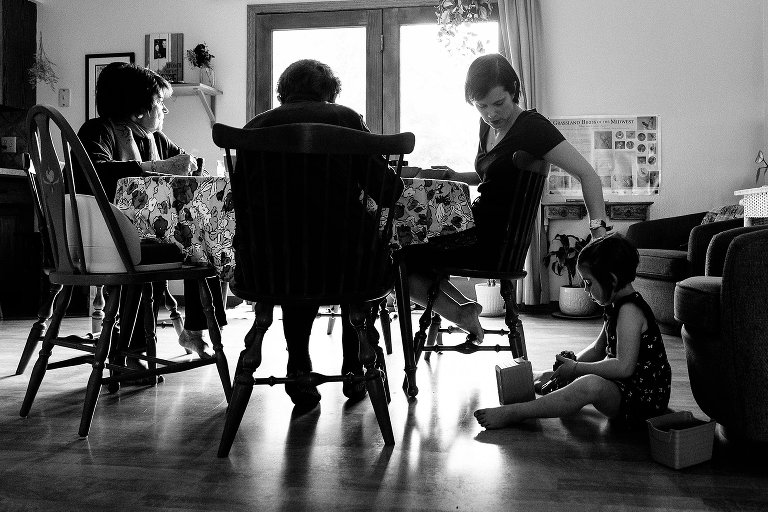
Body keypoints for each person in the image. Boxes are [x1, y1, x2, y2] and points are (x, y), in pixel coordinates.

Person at [401, 53, 611, 344]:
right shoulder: (486, 125)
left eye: (498, 103)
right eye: (481, 106)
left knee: (395, 258)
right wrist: (455, 176)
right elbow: (492, 176)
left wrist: (598, 232)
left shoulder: (532, 126)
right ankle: (463, 309)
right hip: (474, 227)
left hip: (495, 239)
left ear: (514, 91)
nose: (491, 114)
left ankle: (461, 313)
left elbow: (588, 175)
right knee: (407, 244)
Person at [242, 59, 403, 407]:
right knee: (355, 259)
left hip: (272, 264)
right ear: (329, 94)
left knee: (295, 265)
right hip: (345, 263)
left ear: (283, 93)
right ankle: (354, 367)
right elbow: (388, 192)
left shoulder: (254, 128)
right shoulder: (345, 120)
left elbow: (239, 200)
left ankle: (299, 366)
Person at [76, 62, 227, 363]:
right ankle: (131, 347)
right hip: (103, 238)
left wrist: (192, 167)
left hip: (143, 235)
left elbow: (188, 168)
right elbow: (91, 174)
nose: (164, 111)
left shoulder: (155, 139)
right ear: (137, 111)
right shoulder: (98, 130)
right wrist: (157, 168)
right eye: (159, 103)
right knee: (180, 243)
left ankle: (194, 331)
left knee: (200, 235)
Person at [474, 233, 672, 429]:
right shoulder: (615, 306)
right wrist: (569, 366)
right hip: (624, 387)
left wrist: (577, 369)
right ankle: (529, 382)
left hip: (643, 399)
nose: (586, 290)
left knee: (589, 384)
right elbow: (598, 348)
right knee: (553, 375)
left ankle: (518, 412)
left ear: (611, 279)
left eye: (588, 282)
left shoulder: (630, 310)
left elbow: (623, 367)